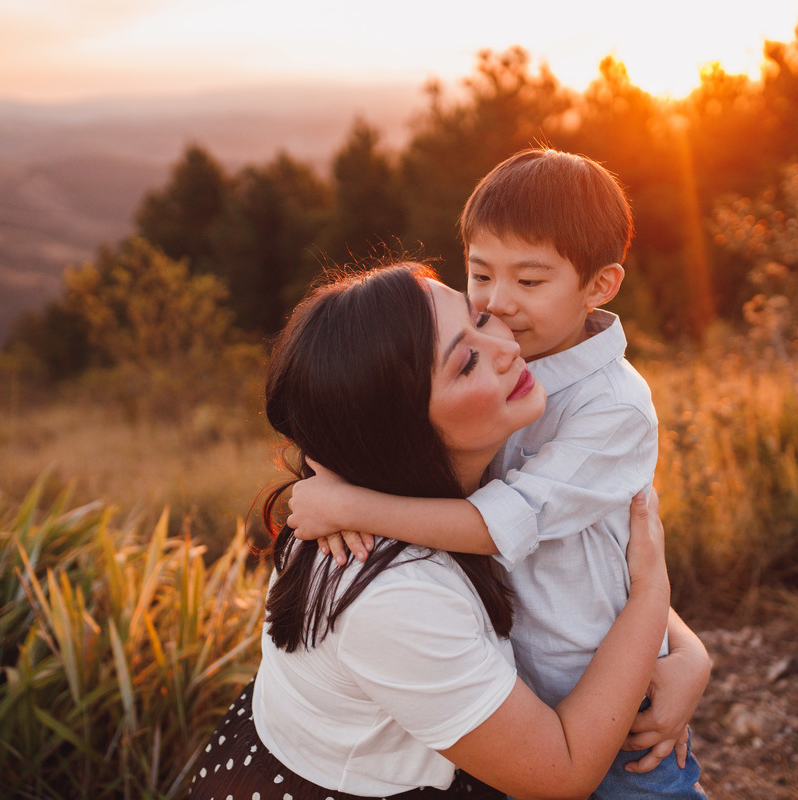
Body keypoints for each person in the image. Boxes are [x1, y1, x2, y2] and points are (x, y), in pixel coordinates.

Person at [287, 149, 709, 798]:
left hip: (613, 705)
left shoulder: (611, 407)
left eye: (530, 282)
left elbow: (506, 525)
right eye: (480, 278)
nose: (499, 305)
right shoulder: (509, 366)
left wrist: (352, 507)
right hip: (520, 707)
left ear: (599, 286)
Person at [189, 263, 671, 800]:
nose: (505, 347)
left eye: (482, 317)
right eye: (467, 363)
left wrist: (687, 657)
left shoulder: (460, 476)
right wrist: (652, 594)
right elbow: (561, 774)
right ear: (402, 430)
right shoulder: (393, 592)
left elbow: (574, 571)